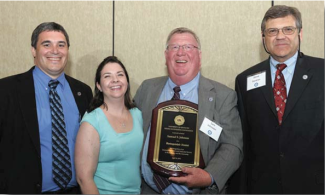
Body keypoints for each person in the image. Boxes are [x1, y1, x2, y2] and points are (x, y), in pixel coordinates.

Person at [134, 27, 243, 194]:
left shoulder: (223, 96)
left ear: (199, 56)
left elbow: (232, 145)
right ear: (166, 56)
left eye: (188, 47)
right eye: (175, 47)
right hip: (148, 190)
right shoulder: (147, 89)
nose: (181, 53)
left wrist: (209, 176)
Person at [229, 5, 324, 194]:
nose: (280, 36)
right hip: (262, 186)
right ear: (263, 37)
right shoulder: (245, 80)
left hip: (314, 185)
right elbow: (244, 142)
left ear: (300, 34)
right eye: (272, 31)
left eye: (288, 29)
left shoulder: (322, 72)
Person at [0, 22, 93, 194]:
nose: (55, 51)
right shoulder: (6, 91)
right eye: (46, 44)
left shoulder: (83, 92)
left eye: (61, 45)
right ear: (33, 51)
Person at [75, 56, 144, 194]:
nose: (115, 80)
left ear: (126, 81)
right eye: (107, 76)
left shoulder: (137, 114)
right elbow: (83, 178)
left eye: (120, 75)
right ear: (99, 85)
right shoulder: (92, 121)